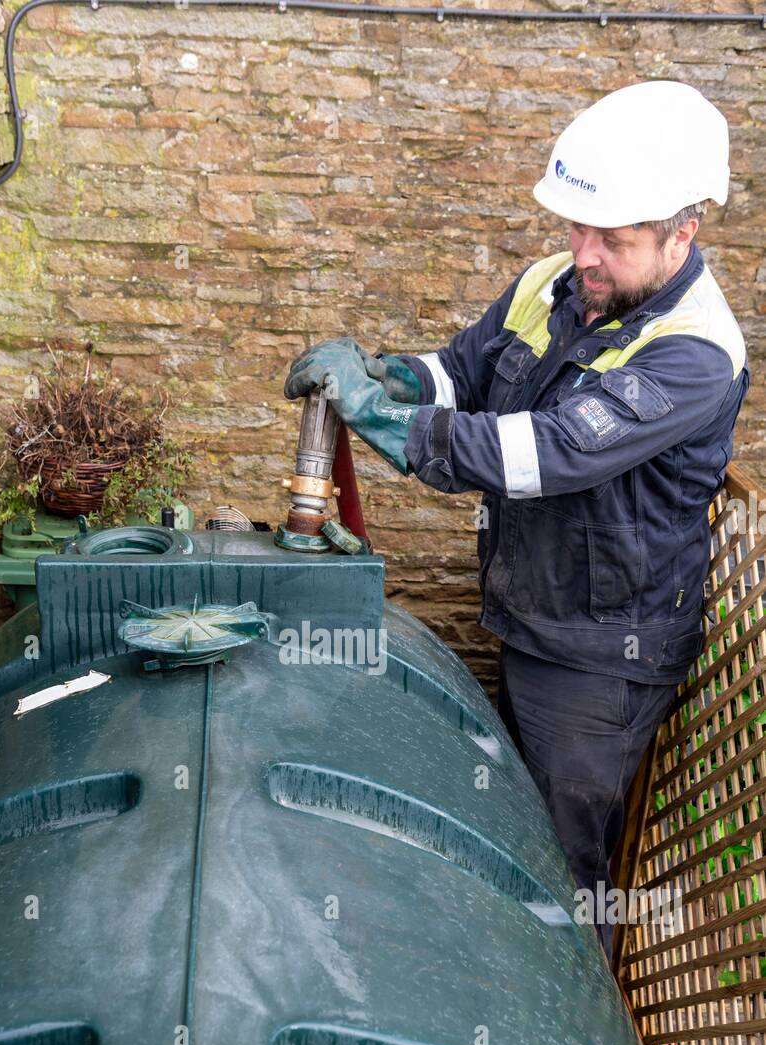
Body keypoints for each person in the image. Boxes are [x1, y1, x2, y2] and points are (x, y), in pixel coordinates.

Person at [283, 80, 750, 965]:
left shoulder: (696, 352)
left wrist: (384, 425)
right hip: (537, 616)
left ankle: (564, 1029)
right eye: (577, 229)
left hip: (603, 657)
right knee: (516, 828)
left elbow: (548, 454)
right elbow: (464, 368)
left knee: (563, 875)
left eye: (611, 239)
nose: (585, 254)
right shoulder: (555, 281)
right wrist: (389, 377)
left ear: (682, 230)